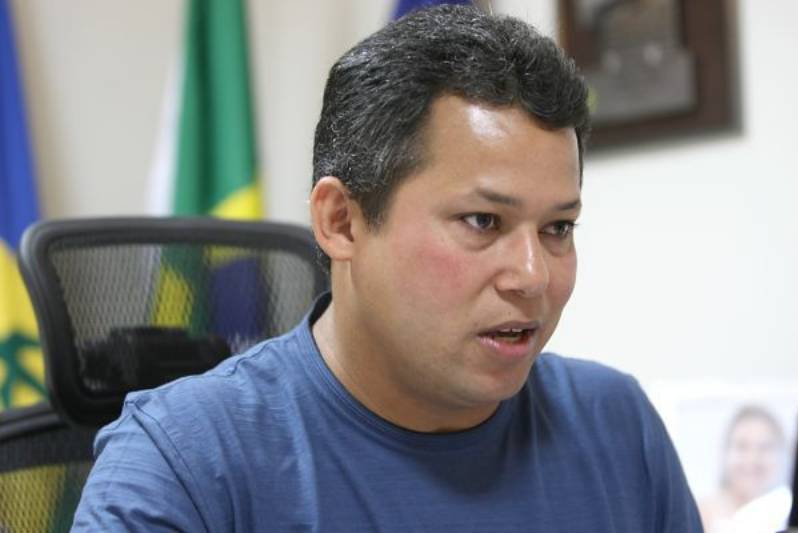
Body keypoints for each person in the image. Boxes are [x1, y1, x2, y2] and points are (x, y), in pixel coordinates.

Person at [72, 5, 702, 531]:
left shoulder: (617, 423)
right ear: (342, 222)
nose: (533, 276)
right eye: (483, 221)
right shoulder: (181, 462)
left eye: (558, 228)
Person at [699, 405, 790, 532]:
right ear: (726, 452)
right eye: (742, 446)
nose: (752, 458)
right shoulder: (700, 514)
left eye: (764, 447)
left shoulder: (787, 514)